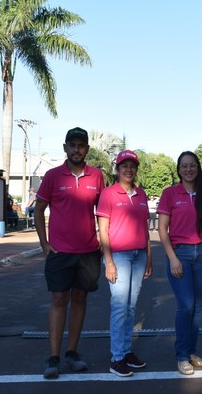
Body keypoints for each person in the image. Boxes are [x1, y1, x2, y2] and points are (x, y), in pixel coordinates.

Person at [34, 127, 104, 380]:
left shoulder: (97, 176)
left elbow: (103, 212)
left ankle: (72, 353)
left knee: (80, 300)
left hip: (88, 252)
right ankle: (53, 357)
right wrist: (44, 244)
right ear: (65, 147)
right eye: (72, 145)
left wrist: (103, 241)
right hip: (60, 252)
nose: (76, 149)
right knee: (58, 300)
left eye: (81, 145)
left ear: (87, 148)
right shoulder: (53, 176)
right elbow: (38, 210)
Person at [96, 149, 153, 377]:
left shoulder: (141, 194)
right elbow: (103, 231)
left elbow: (146, 231)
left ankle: (126, 351)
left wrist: (149, 258)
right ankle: (117, 357)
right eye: (124, 166)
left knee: (130, 307)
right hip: (118, 256)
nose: (128, 170)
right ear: (117, 169)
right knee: (119, 307)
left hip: (139, 256)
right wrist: (108, 261)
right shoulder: (108, 194)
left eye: (132, 166)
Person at [157, 151, 202, 375]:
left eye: (192, 165)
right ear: (178, 170)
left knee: (197, 308)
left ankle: (191, 351)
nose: (188, 169)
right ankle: (181, 355)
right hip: (180, 254)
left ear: (198, 168)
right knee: (186, 305)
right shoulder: (170, 193)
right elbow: (162, 228)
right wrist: (172, 258)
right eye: (184, 166)